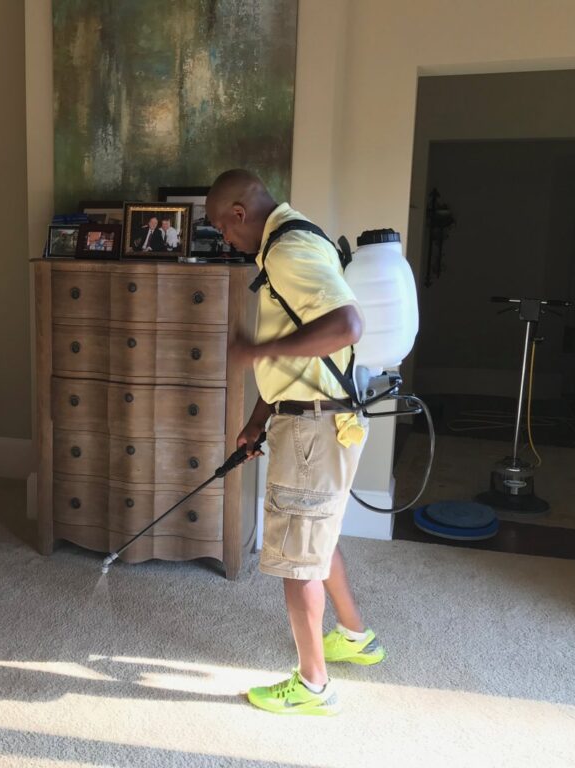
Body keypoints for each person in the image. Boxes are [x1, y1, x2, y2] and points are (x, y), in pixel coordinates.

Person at [205, 169, 385, 716]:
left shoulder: (286, 252)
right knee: (316, 536)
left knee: (296, 560)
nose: (225, 239)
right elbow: (304, 353)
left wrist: (256, 351)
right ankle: (355, 636)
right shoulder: (298, 237)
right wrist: (258, 418)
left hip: (312, 429)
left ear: (239, 213)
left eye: (222, 227)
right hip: (319, 417)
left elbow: (346, 326)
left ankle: (312, 686)